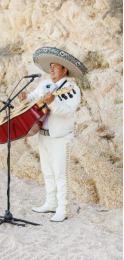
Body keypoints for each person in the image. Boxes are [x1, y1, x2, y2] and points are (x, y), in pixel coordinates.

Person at [18, 47, 88, 222]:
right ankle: (50, 202)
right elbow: (33, 97)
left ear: (64, 70)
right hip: (43, 133)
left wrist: (53, 102)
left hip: (61, 136)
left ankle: (63, 208)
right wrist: (24, 98)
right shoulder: (45, 85)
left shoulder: (73, 89)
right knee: (47, 170)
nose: (51, 70)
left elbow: (67, 111)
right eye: (50, 67)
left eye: (55, 66)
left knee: (60, 173)